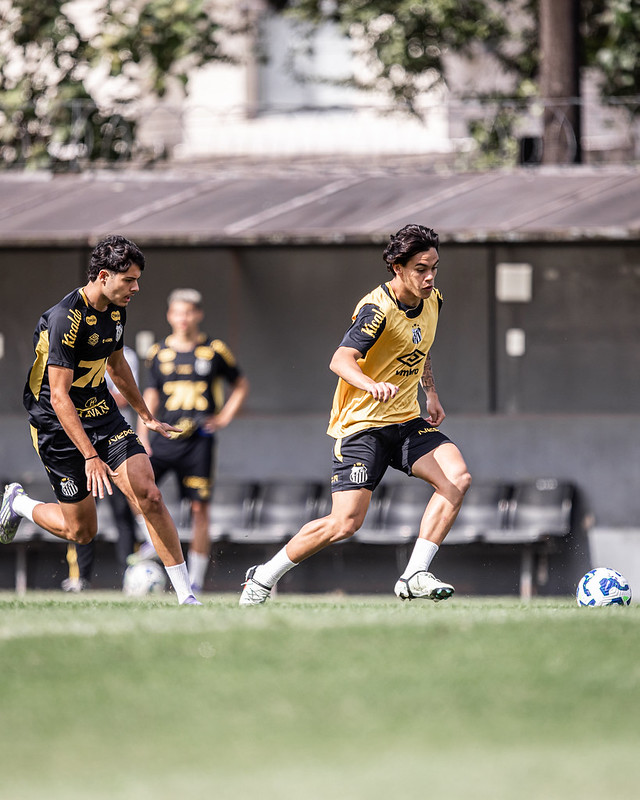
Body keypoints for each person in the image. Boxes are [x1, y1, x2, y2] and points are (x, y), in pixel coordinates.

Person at [240, 223, 471, 606]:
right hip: (363, 425)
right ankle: (263, 577)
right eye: (420, 268)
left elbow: (421, 345)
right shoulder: (375, 310)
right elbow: (340, 359)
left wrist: (430, 392)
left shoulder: (433, 300)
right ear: (398, 268)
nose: (429, 276)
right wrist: (370, 384)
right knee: (345, 523)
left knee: (457, 477)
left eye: (434, 267)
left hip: (406, 420)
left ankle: (415, 574)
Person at [0, 235, 201, 605]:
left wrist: (146, 415)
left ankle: (186, 596)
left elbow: (117, 363)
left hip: (101, 412)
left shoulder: (115, 308)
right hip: (56, 424)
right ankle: (19, 505)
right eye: (129, 280)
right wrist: (91, 457)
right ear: (104, 275)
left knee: (150, 495)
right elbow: (59, 396)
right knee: (82, 531)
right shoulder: (65, 318)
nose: (136, 288)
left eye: (137, 280)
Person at [137, 288, 249, 593]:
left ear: (198, 315)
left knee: (200, 510)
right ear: (169, 315)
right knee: (137, 490)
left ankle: (196, 580)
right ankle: (149, 542)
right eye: (177, 312)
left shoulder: (214, 350)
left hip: (198, 440)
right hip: (162, 436)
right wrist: (143, 432)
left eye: (188, 312)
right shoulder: (158, 353)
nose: (183, 318)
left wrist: (224, 417)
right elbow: (150, 394)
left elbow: (240, 384)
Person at [61, 345, 142, 592]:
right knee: (82, 514)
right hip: (82, 446)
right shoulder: (70, 350)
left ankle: (131, 577)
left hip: (113, 441)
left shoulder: (125, 355)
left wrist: (94, 393)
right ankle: (80, 578)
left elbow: (126, 396)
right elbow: (61, 396)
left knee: (123, 515)